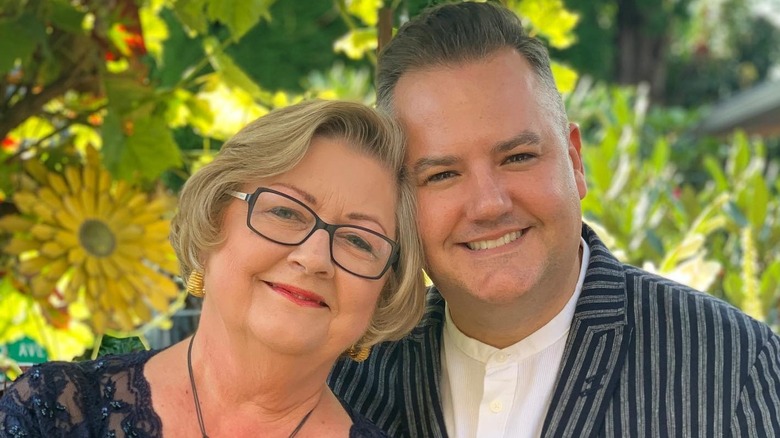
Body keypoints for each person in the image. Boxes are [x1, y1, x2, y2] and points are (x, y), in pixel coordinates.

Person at [328, 2, 780, 437]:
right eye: (442, 174)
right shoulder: (348, 376)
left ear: (574, 160)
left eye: (518, 157)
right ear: (398, 197)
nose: (488, 204)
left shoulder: (731, 365)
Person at [0, 99, 426, 437]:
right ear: (214, 216)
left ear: (386, 288)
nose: (315, 258)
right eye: (285, 212)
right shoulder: (53, 411)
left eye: (357, 240)